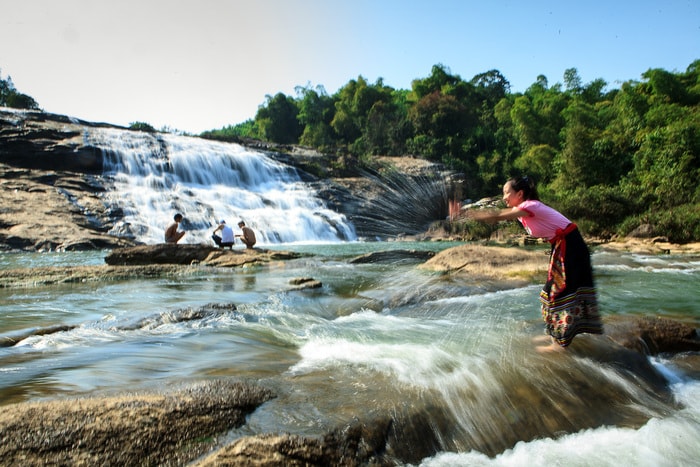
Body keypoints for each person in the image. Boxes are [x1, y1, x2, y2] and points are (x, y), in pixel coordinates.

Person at [462, 176, 603, 352]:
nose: (504, 197)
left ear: (520, 194)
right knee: (549, 292)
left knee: (557, 292)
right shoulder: (524, 209)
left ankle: (559, 344)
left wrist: (466, 213)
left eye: (507, 193)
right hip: (563, 246)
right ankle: (554, 334)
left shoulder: (529, 206)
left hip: (571, 246)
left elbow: (496, 216)